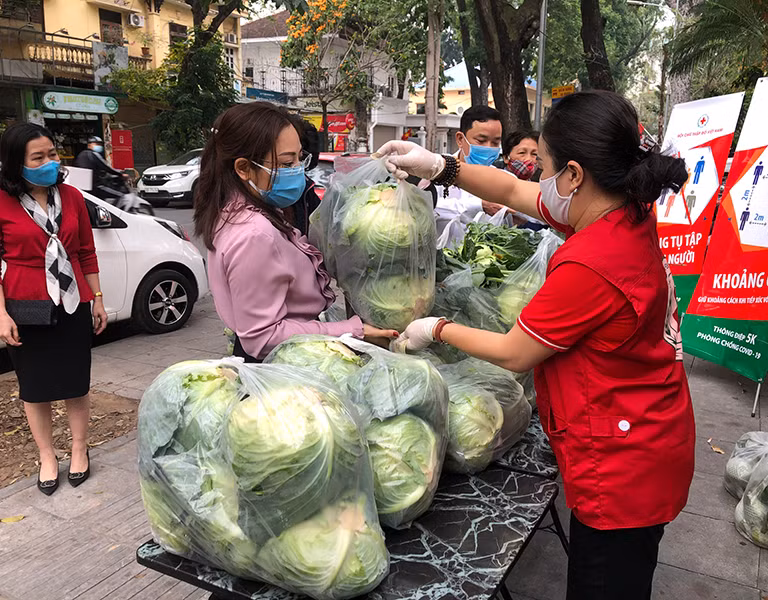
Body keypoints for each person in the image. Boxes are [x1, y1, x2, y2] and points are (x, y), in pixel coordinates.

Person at [377, 90, 695, 600]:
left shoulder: (593, 261)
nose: (536, 177)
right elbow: (515, 192)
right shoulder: (619, 207)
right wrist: (440, 166)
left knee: (606, 584)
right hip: (646, 426)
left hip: (623, 464)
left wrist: (435, 329)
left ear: (573, 174)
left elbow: (515, 352)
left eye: (543, 165)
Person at [193, 102, 398, 362]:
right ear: (243, 168)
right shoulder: (254, 233)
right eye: (288, 162)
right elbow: (263, 337)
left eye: (300, 158)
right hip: (277, 364)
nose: (299, 169)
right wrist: (353, 331)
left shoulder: (241, 210)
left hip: (287, 353)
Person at [0, 123, 107, 495]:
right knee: (35, 388)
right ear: (16, 163)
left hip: (73, 300)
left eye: (52, 154)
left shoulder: (73, 196)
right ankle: (47, 456)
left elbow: (86, 252)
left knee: (75, 383)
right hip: (25, 304)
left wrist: (98, 299)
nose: (49, 162)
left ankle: (80, 449)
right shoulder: (1, 201)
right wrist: (1, 314)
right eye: (38, 157)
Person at [433, 105, 507, 233]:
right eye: (481, 140)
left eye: (495, 143)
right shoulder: (437, 169)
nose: (488, 148)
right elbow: (427, 208)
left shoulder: (503, 179)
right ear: (460, 139)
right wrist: (479, 206)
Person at [73, 136, 129, 205]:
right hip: (95, 187)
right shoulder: (93, 154)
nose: (99, 146)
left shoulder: (81, 155)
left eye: (100, 144)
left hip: (83, 188)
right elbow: (106, 167)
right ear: (89, 145)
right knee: (121, 196)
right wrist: (120, 174)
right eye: (96, 144)